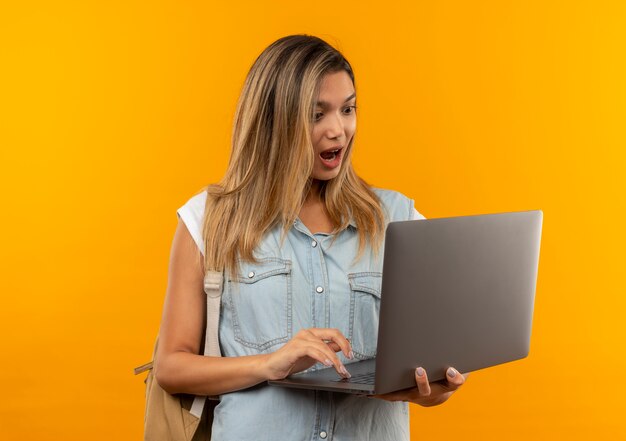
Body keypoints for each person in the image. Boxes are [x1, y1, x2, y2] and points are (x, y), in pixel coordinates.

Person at [155, 34, 468, 441]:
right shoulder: (210, 220)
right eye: (317, 114)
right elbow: (171, 368)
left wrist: (430, 389)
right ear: (273, 121)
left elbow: (429, 361)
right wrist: (270, 363)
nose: (338, 130)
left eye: (348, 109)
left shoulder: (400, 221)